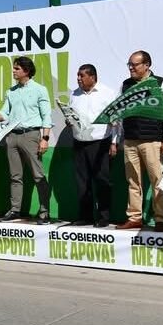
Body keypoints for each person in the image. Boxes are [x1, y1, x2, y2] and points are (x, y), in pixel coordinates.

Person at [0, 56, 55, 225]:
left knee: (38, 175)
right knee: (15, 176)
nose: (13, 71)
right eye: (14, 68)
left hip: (31, 135)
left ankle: (44, 211)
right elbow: (5, 114)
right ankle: (15, 210)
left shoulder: (40, 90)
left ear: (26, 71)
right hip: (12, 136)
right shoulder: (10, 91)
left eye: (17, 68)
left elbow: (46, 115)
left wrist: (45, 138)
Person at [114, 50, 163, 231]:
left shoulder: (160, 83)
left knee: (157, 181)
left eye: (135, 64)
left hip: (152, 140)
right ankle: (135, 217)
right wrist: (116, 139)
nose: (131, 68)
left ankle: (160, 219)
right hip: (130, 139)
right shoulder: (125, 85)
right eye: (129, 64)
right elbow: (118, 112)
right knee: (133, 181)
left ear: (147, 65)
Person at [65, 64, 116, 227]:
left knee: (102, 180)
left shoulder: (108, 93)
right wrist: (69, 120)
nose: (78, 79)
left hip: (100, 142)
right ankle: (85, 216)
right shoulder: (74, 94)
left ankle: (103, 217)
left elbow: (116, 121)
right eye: (78, 75)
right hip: (79, 141)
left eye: (82, 76)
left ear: (92, 77)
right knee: (82, 181)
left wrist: (114, 142)